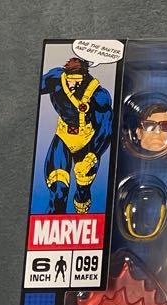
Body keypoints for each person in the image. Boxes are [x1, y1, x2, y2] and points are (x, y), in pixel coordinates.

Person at [39, 57, 112, 213]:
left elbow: (106, 128)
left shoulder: (99, 95)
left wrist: (92, 156)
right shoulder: (55, 79)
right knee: (58, 190)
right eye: (70, 81)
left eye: (77, 82)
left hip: (88, 142)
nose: (72, 86)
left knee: (83, 189)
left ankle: (82, 210)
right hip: (63, 137)